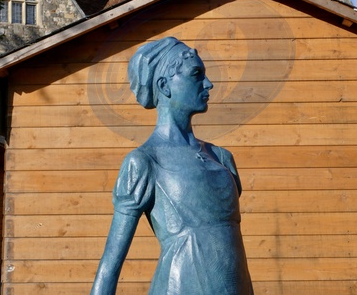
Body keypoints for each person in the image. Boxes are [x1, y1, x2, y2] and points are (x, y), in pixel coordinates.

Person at [91, 37, 253, 295]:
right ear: (164, 85)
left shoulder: (222, 158)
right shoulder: (144, 162)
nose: (208, 83)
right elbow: (110, 264)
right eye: (196, 74)